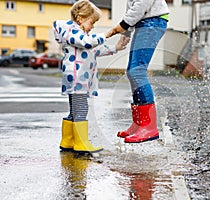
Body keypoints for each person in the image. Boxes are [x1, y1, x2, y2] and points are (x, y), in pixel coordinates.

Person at [53, 0, 129, 153]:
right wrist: (108, 34)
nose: (93, 26)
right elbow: (88, 43)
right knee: (81, 109)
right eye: (92, 22)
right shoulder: (72, 32)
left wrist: (116, 48)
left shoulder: (81, 35)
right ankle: (81, 143)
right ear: (80, 18)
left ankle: (68, 141)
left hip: (78, 79)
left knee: (75, 111)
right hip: (77, 78)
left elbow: (94, 50)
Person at [107, 0, 169, 143]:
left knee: (137, 71)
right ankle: (139, 124)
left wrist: (120, 27)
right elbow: (132, 6)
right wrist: (126, 33)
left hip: (152, 21)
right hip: (145, 22)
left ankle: (149, 126)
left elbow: (142, 4)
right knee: (132, 71)